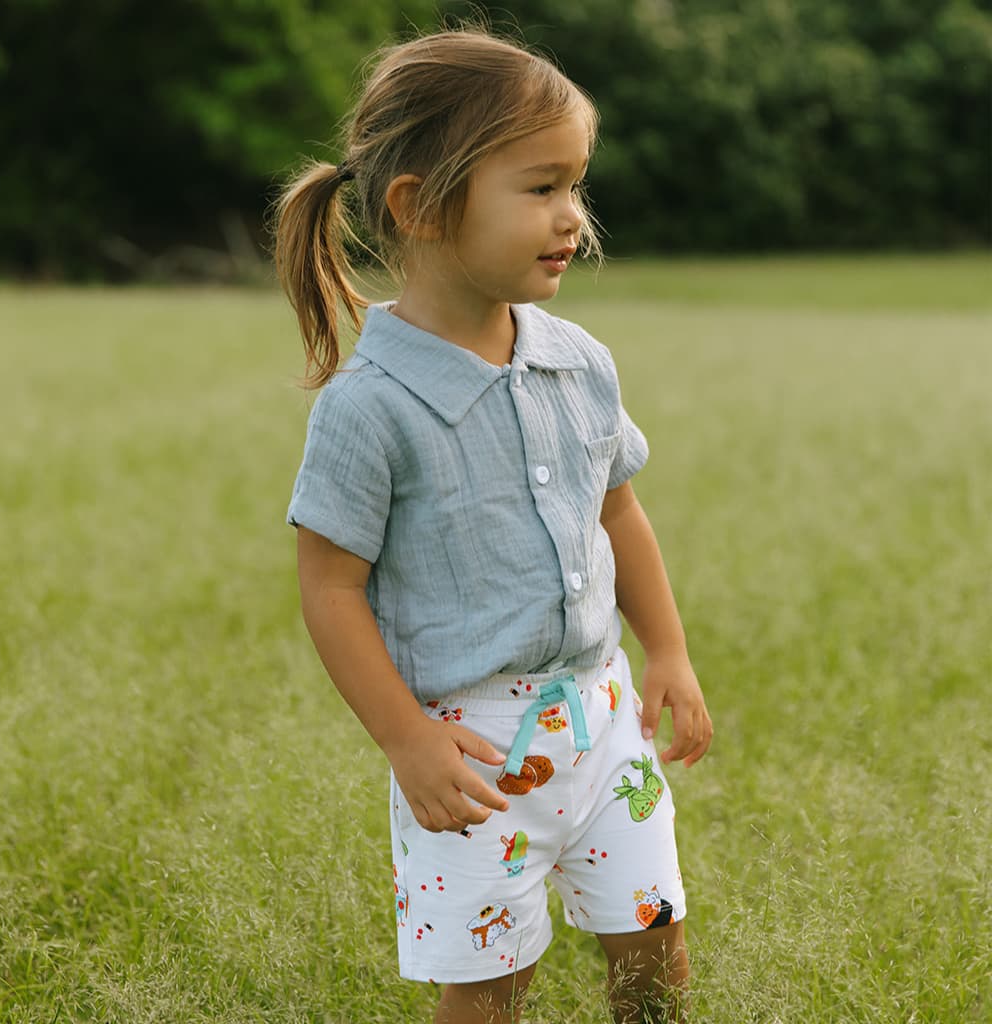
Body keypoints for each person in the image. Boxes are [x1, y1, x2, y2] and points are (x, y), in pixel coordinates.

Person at [274, 26, 712, 1024]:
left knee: (653, 943)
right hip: (463, 754)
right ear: (419, 206)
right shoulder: (369, 406)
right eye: (541, 187)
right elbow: (330, 587)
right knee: (486, 983)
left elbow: (619, 510)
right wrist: (404, 743)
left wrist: (668, 651)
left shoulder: (579, 360)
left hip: (601, 726)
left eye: (576, 186)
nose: (573, 218)